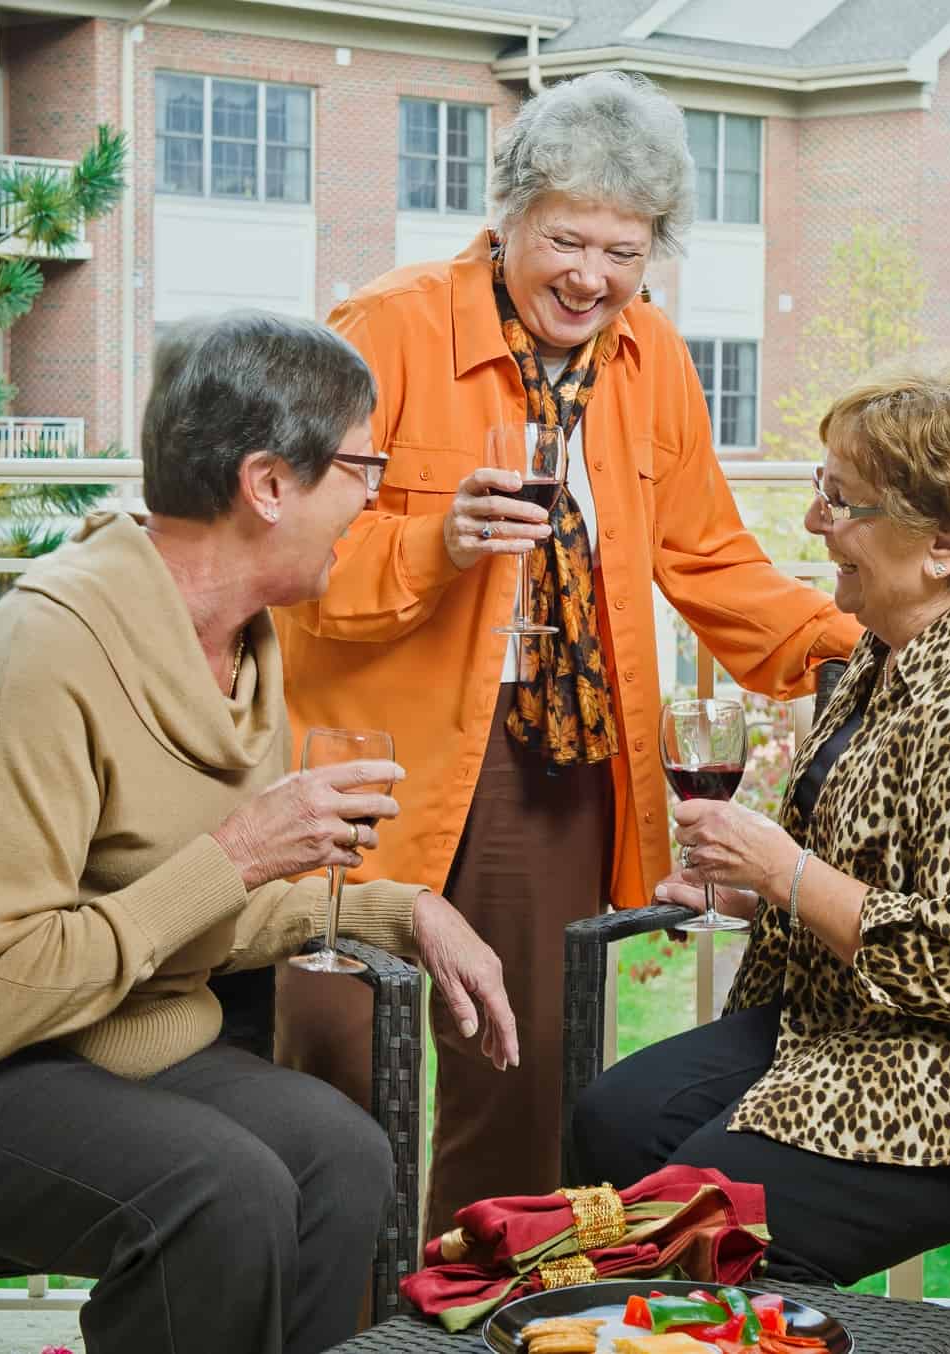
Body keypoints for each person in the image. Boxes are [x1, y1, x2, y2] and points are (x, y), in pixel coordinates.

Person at [0, 312, 516, 1354]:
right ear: (269, 484)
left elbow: (185, 907)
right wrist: (239, 849)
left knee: (342, 1154)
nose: (373, 499)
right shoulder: (40, 657)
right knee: (219, 1194)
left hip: (97, 1033)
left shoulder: (242, 647)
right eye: (363, 466)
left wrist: (401, 907)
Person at [273, 71, 862, 1238]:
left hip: (553, 757)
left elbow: (712, 564)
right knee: (337, 1071)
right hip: (367, 758)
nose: (592, 276)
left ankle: (466, 1306)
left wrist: (868, 647)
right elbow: (289, 547)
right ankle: (326, 1323)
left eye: (626, 250)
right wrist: (436, 542)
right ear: (508, 217)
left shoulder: (651, 360)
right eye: (568, 238)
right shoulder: (387, 327)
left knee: (518, 1069)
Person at [571, 357, 950, 1285]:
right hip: (858, 1021)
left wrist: (785, 874)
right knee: (611, 1120)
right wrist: (751, 892)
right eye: (825, 489)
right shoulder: (887, 652)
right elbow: (877, 867)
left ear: (947, 543)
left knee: (707, 1223)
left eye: (843, 501)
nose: (816, 520)